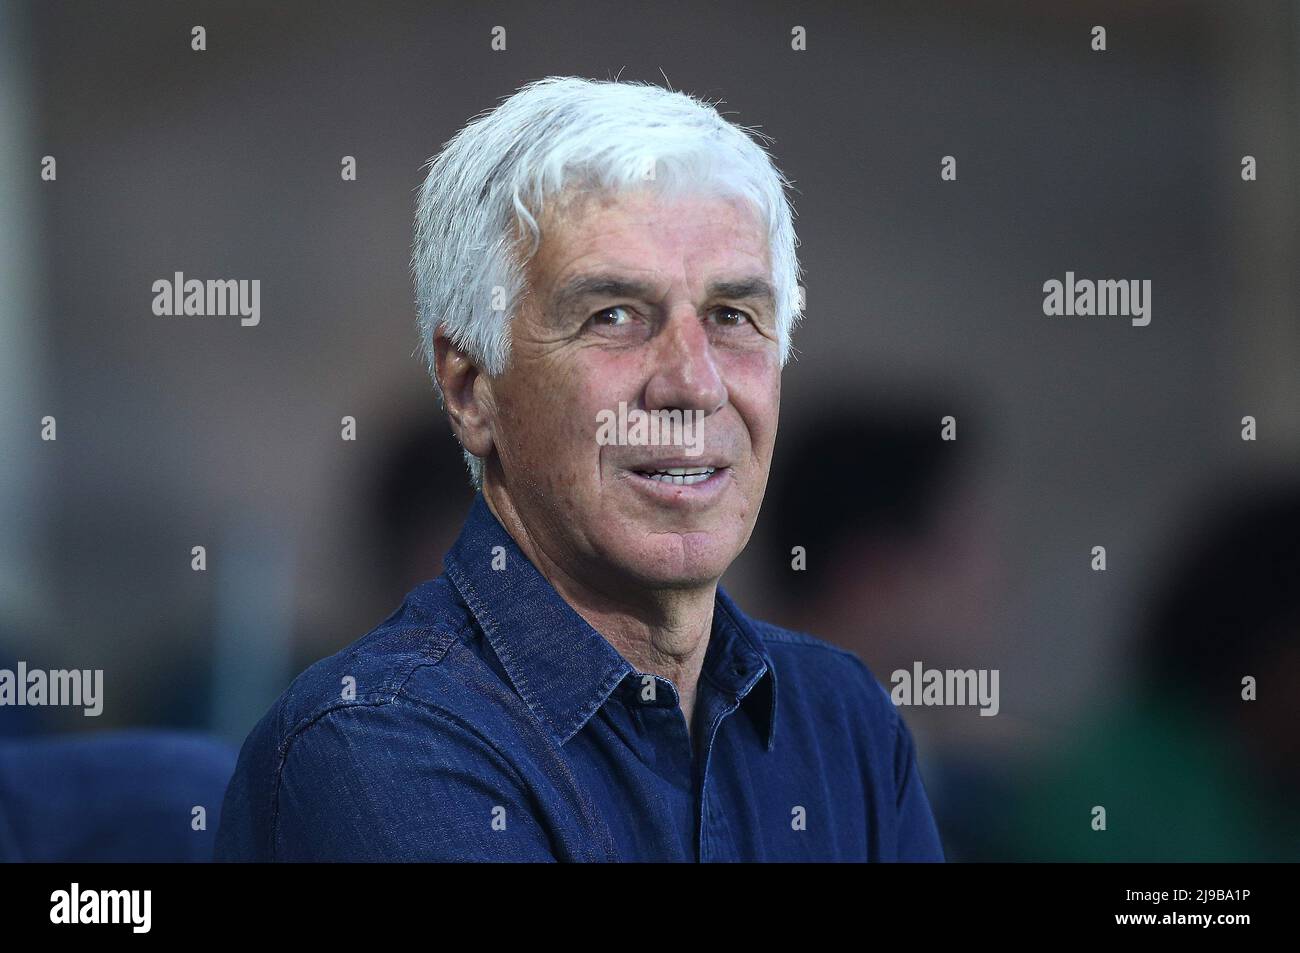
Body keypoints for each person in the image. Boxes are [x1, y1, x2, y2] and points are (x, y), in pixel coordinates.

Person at [214, 76, 945, 861]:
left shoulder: (844, 722)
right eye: (614, 316)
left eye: (733, 316)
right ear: (470, 390)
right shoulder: (375, 740)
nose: (694, 383)